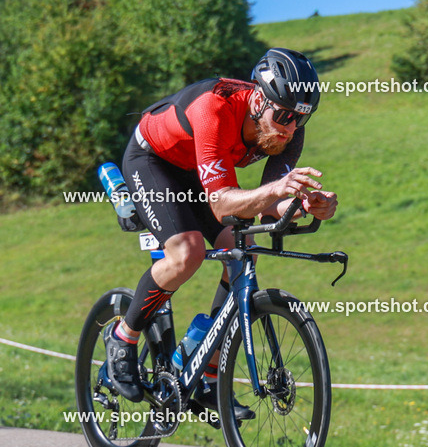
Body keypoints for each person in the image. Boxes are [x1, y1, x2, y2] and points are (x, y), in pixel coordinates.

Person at [104, 48, 338, 419]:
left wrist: (305, 204)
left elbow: (270, 203)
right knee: (187, 252)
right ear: (259, 100)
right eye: (283, 116)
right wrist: (277, 191)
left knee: (243, 254)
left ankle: (209, 375)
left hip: (199, 171)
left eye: (301, 118)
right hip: (153, 161)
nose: (290, 128)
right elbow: (221, 204)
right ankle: (122, 338)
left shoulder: (289, 129)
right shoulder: (212, 108)